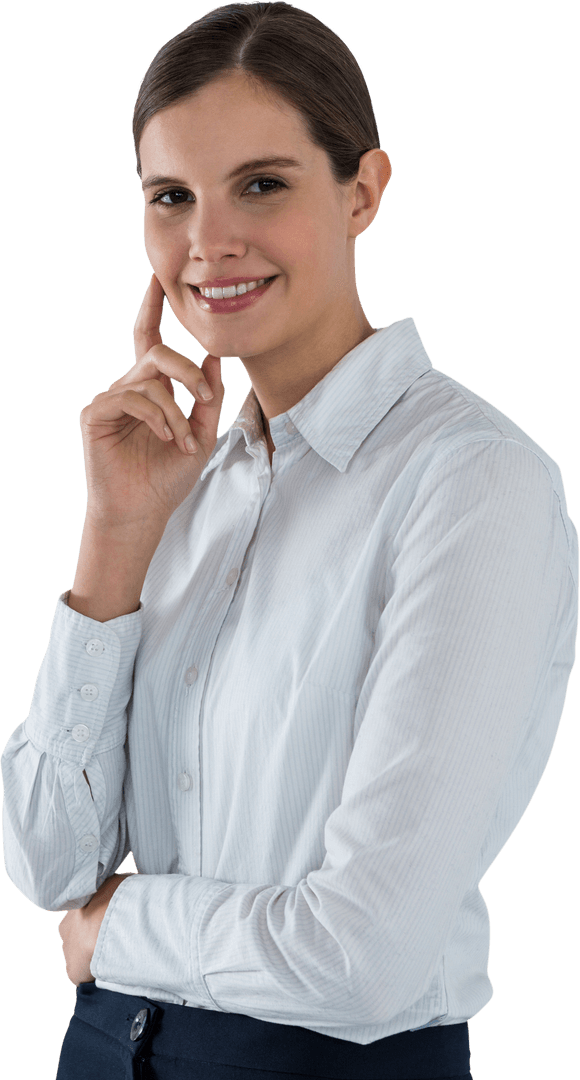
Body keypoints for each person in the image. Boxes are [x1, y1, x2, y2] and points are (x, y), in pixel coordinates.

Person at [1, 2, 577, 1078]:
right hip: (103, 1046)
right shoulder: (180, 478)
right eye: (170, 197)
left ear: (361, 191)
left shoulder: (471, 483)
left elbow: (365, 954)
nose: (206, 243)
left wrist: (116, 929)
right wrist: (117, 535)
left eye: (261, 185)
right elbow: (44, 861)